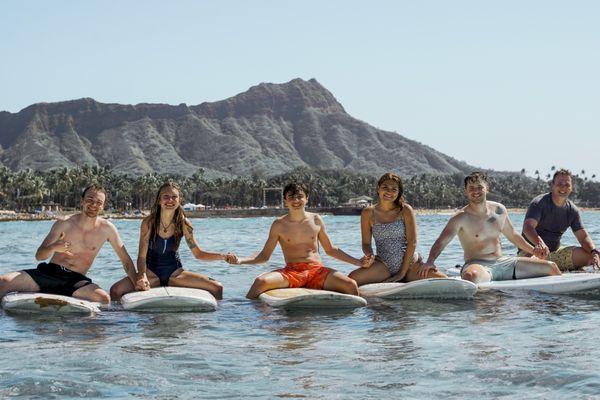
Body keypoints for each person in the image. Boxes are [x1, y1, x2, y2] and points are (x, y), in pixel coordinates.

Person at [0, 184, 141, 304]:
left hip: (75, 281)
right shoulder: (64, 223)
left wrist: (137, 283)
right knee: (3, 281)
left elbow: (126, 260)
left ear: (103, 206)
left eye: (99, 202)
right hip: (49, 273)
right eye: (90, 200)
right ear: (82, 201)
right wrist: (55, 247)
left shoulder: (107, 229)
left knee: (103, 298)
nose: (94, 205)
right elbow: (39, 255)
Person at [228, 182, 371, 299]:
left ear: (306, 198)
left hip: (317, 271)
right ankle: (248, 319)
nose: (296, 201)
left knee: (351, 285)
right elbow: (264, 256)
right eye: (291, 197)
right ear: (285, 200)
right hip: (292, 272)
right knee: (260, 282)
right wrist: (240, 261)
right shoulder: (279, 224)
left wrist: (358, 262)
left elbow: (330, 250)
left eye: (299, 197)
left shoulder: (316, 219)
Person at [422, 172, 561, 283]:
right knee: (471, 276)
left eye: (479, 187)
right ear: (466, 191)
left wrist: (533, 251)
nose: (475, 191)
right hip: (478, 264)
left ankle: (555, 310)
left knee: (551, 267)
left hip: (504, 262)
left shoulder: (499, 210)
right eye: (471, 188)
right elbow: (441, 242)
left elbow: (513, 236)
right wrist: (430, 261)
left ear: (486, 188)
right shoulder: (460, 218)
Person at [110, 181, 233, 300]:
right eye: (166, 197)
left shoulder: (184, 224)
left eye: (174, 197)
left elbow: (198, 254)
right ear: (159, 200)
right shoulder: (149, 223)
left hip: (176, 274)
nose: (170, 200)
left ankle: (218, 320)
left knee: (217, 288)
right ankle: (124, 319)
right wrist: (142, 276)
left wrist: (223, 256)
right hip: (151, 274)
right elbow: (141, 257)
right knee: (116, 290)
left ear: (179, 201)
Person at [348, 172, 447, 285]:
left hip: (410, 265)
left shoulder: (405, 210)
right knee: (351, 280)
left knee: (445, 281)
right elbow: (366, 243)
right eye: (385, 187)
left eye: (394, 189)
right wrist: (369, 256)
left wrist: (401, 273)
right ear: (378, 188)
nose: (389, 192)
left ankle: (407, 277)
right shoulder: (368, 213)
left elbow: (412, 242)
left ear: (398, 192)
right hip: (383, 265)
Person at [519, 169, 600, 271]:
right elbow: (528, 227)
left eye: (567, 184)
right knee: (532, 263)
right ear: (552, 185)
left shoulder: (572, 210)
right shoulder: (539, 203)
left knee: (591, 255)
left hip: (555, 254)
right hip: (531, 253)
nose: (563, 187)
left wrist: (594, 252)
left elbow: (583, 238)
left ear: (571, 188)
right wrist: (540, 243)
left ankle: (581, 270)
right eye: (560, 184)